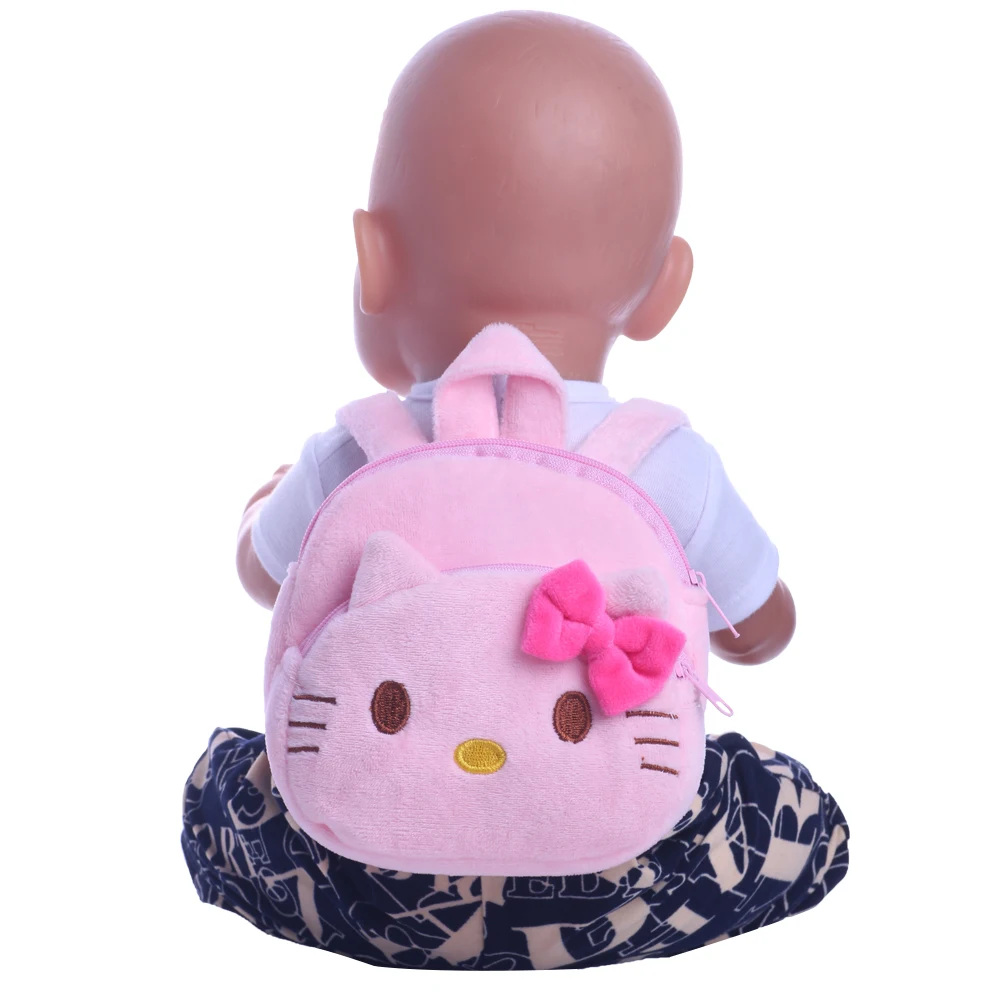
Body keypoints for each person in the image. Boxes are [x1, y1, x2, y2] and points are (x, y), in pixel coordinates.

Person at [182, 11, 848, 969]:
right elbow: (766, 631)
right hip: (625, 882)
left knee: (225, 785)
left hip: (363, 887)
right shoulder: (670, 462)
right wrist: (722, 622)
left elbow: (261, 578)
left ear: (373, 261)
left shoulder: (350, 452)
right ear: (664, 288)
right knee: (774, 794)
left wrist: (265, 505)